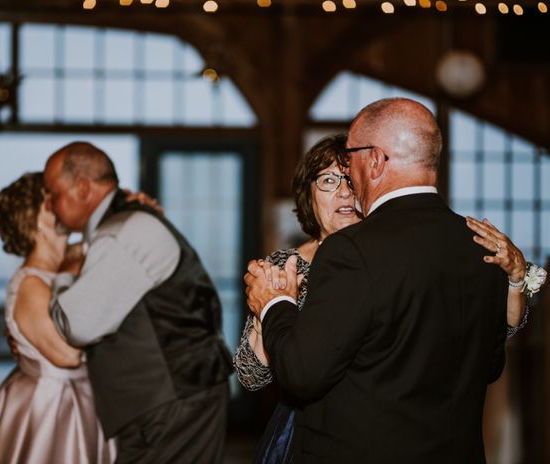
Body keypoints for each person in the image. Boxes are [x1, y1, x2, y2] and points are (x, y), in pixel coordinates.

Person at [244, 97, 524, 463]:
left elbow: (302, 374)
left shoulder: (351, 251)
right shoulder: (480, 245)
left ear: (374, 160)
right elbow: (489, 365)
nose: (348, 181)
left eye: (351, 158)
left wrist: (274, 303)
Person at [43, 141, 233, 464]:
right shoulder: (122, 225)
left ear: (84, 188)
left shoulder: (123, 233)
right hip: (166, 403)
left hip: (175, 404)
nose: (48, 205)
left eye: (53, 193)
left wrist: (62, 276)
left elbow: (76, 324)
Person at [0, 172, 116, 463]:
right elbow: (67, 355)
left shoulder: (68, 264)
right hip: (50, 409)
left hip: (81, 400)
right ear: (37, 218)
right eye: (53, 199)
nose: (65, 202)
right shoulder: (30, 284)